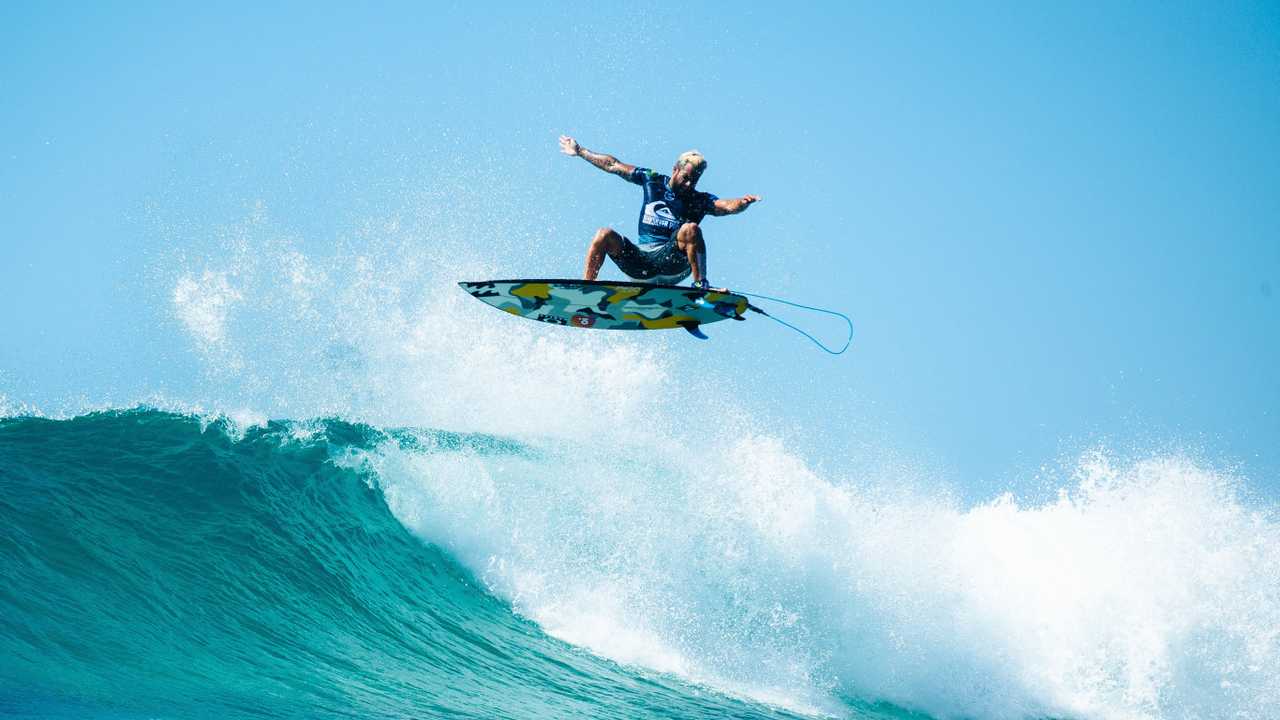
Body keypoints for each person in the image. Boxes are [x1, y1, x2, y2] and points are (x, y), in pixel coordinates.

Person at [559, 135, 760, 289]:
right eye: (686, 178)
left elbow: (725, 206)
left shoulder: (699, 200)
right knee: (604, 235)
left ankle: (700, 285)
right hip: (640, 263)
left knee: (691, 229)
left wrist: (742, 203)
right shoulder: (652, 180)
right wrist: (580, 151)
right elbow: (613, 165)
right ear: (675, 170)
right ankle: (587, 290)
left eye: (694, 181)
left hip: (673, 265)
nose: (689, 184)